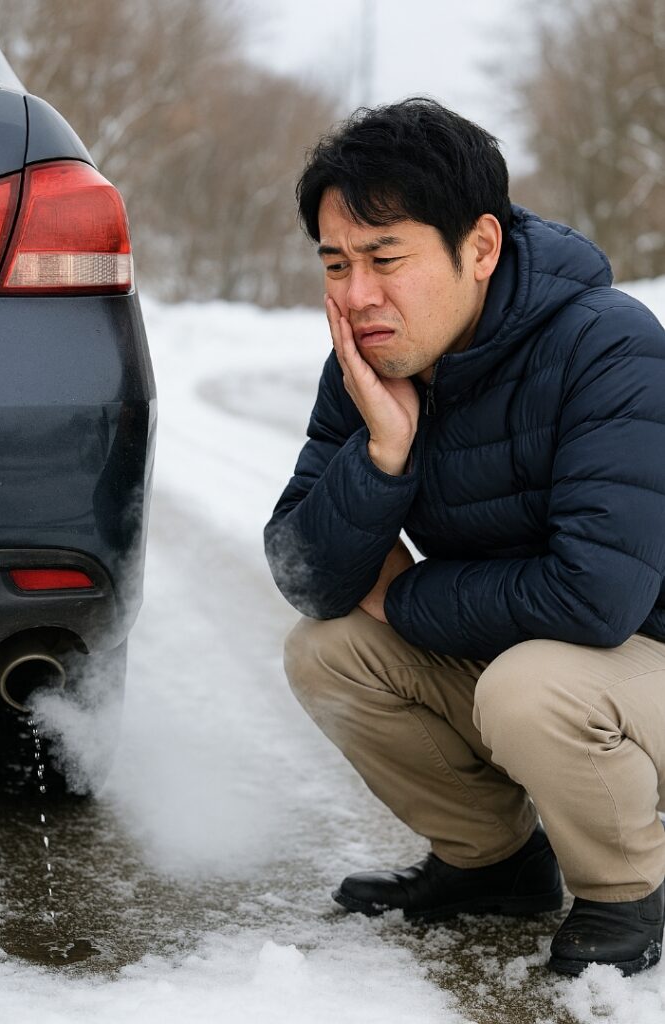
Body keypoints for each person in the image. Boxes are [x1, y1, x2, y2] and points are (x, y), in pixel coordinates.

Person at [263, 98, 665, 978]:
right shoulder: (369, 363)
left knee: (531, 686)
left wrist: (404, 595)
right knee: (326, 648)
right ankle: (494, 864)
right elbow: (304, 570)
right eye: (335, 263)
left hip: (643, 660)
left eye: (383, 258)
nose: (356, 294)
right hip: (531, 650)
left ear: (478, 248)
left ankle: (625, 885)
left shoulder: (610, 346)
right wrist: (381, 453)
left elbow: (596, 596)